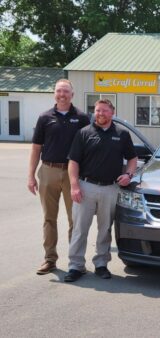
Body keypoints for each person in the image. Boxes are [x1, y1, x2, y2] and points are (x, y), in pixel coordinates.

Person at [64, 99, 137, 282]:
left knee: (105, 229)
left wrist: (128, 174)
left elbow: (133, 158)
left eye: (104, 111)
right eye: (97, 111)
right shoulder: (84, 133)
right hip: (85, 187)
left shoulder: (122, 134)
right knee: (79, 229)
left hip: (111, 188)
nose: (100, 114)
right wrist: (74, 186)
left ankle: (101, 263)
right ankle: (75, 265)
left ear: (112, 112)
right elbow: (73, 162)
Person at [28, 79, 90, 275]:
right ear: (54, 93)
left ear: (72, 94)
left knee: (76, 220)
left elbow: (88, 148)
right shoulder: (44, 117)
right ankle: (50, 259)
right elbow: (36, 148)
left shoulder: (81, 118)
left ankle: (75, 261)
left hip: (74, 175)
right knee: (49, 218)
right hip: (48, 171)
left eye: (66, 91)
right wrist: (31, 175)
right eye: (58, 91)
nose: (62, 94)